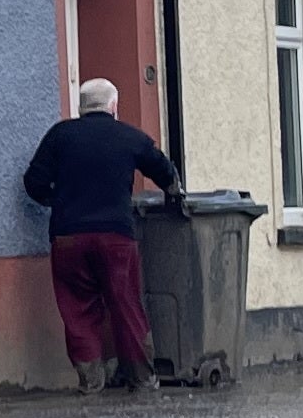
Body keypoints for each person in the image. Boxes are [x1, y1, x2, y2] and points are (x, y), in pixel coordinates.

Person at [21, 77, 182, 389]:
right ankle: (141, 377)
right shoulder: (129, 136)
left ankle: (91, 379)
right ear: (114, 106)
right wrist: (174, 194)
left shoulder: (59, 135)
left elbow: (33, 182)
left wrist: (56, 200)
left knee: (78, 309)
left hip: (68, 238)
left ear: (80, 108)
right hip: (116, 238)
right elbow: (165, 171)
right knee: (126, 306)